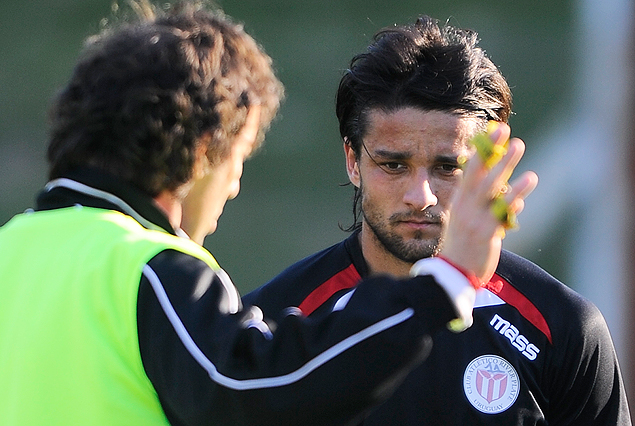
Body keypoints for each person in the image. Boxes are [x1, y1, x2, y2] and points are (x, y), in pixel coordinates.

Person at [0, 3, 538, 426]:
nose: (234, 186)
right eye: (239, 157)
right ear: (203, 151)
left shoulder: (13, 247)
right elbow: (254, 392)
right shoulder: (150, 271)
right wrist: (445, 282)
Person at [244, 15, 631, 425]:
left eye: (448, 168)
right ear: (352, 161)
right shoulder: (273, 322)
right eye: (394, 165)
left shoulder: (563, 328)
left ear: (489, 167)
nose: (420, 196)